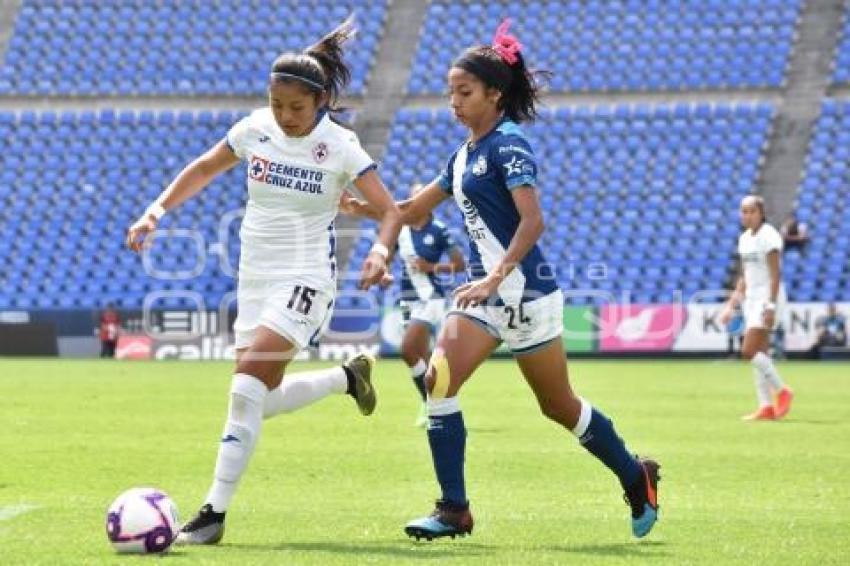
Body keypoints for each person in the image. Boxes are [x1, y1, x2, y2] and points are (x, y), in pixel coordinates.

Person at [342, 20, 660, 540]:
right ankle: (454, 510)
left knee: (559, 407)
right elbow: (412, 210)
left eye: (464, 92)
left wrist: (495, 275)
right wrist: (359, 207)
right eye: (450, 93)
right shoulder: (463, 155)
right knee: (437, 379)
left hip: (526, 294)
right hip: (481, 297)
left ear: (495, 93)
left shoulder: (510, 145)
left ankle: (635, 476)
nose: (454, 102)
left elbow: (533, 222)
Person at [126, 18, 401, 545]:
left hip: (305, 278)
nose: (286, 116)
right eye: (278, 105)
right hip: (253, 278)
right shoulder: (255, 129)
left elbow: (390, 212)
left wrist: (381, 250)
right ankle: (346, 379)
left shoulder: (340, 145)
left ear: (319, 101)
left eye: (296, 108)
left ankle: (211, 515)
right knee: (261, 398)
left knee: (246, 385)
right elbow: (205, 167)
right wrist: (155, 212)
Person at [384, 183, 466, 427]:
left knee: (408, 348)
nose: (416, 202)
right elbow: (387, 256)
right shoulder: (401, 229)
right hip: (408, 297)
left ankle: (429, 403)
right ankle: (439, 402)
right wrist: (384, 271)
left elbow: (459, 265)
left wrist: (431, 267)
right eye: (413, 198)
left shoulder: (439, 230)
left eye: (421, 197)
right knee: (421, 356)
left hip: (431, 297)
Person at [719, 196, 794, 421]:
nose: (747, 215)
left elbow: (775, 273)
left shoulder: (769, 235)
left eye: (751, 211)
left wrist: (770, 305)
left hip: (767, 298)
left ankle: (782, 390)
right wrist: (731, 304)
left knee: (748, 351)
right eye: (743, 211)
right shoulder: (744, 239)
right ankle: (765, 406)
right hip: (752, 298)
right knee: (759, 355)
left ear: (761, 213)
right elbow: (745, 275)